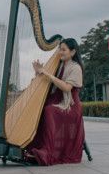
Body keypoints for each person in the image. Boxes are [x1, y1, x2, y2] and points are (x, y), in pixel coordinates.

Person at [24, 37, 85, 165]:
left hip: (70, 106)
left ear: (72, 52)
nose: (60, 52)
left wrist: (46, 73)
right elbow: (47, 84)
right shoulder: (59, 65)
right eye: (59, 49)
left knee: (49, 110)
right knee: (39, 109)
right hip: (57, 100)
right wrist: (38, 73)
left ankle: (48, 152)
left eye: (64, 50)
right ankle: (32, 145)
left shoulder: (75, 68)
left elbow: (67, 88)